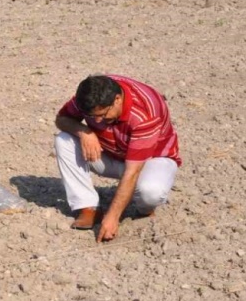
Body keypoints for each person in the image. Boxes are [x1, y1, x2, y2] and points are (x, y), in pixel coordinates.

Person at [54, 75, 181, 242]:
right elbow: (61, 120)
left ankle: (144, 209)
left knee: (151, 192)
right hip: (109, 153)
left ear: (117, 99)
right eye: (92, 116)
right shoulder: (90, 96)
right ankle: (88, 207)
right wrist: (84, 131)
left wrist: (113, 217)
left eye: (102, 114)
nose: (97, 120)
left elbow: (133, 171)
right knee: (64, 140)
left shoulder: (145, 114)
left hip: (150, 160)